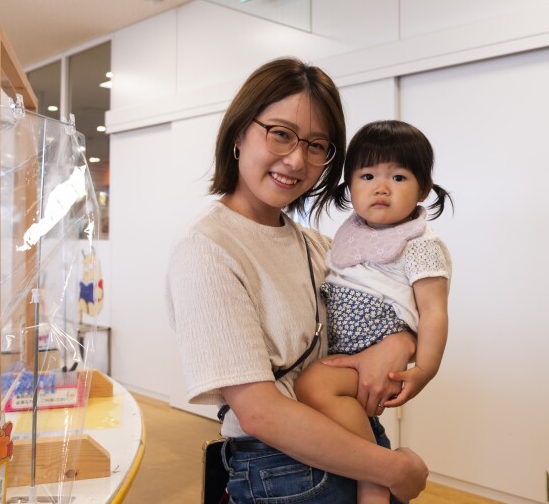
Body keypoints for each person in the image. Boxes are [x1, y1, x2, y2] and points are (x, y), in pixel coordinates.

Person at [165, 57, 429, 503]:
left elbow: (391, 309)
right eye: (281, 134)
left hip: (350, 444)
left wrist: (399, 342)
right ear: (239, 132)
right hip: (281, 469)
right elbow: (259, 412)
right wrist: (393, 468)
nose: (296, 160)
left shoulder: (321, 246)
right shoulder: (207, 249)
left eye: (316, 145)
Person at [295, 120, 453, 503]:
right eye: (367, 175)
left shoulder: (419, 245)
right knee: (320, 391)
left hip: (381, 360)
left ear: (423, 190)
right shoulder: (348, 236)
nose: (381, 187)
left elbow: (433, 311)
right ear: (350, 186)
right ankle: (375, 466)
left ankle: (374, 475)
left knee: (312, 385)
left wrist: (425, 370)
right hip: (347, 356)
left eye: (398, 177)